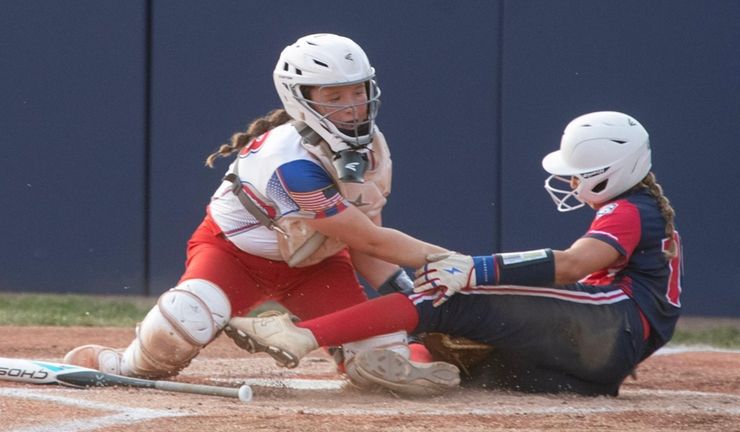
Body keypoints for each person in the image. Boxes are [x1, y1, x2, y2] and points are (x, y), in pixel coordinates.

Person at [62, 33, 456, 392]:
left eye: (357, 92)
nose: (353, 107)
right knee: (186, 320)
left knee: (382, 357)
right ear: (298, 98)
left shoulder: (372, 149)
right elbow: (370, 239)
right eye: (334, 98)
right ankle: (119, 362)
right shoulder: (291, 165)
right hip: (234, 257)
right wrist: (453, 265)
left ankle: (393, 355)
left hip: (317, 266)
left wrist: (411, 300)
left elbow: (365, 245)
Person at [225, 111, 684, 397]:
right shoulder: (636, 207)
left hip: (613, 326)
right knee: (477, 355)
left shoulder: (628, 210)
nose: (571, 182)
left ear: (610, 172)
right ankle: (420, 358)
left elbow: (571, 266)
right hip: (613, 342)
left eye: (581, 174)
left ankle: (301, 336)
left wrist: (474, 269)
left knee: (450, 295)